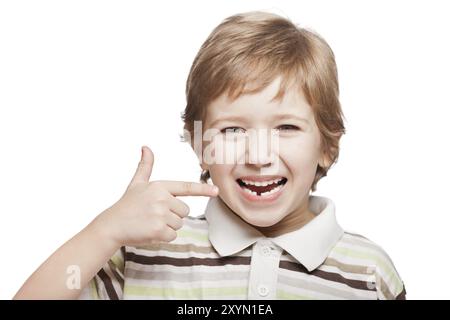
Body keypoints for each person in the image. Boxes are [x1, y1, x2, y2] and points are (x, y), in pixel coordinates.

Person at [14, 11, 405, 300]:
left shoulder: (368, 273)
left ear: (328, 144)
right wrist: (105, 231)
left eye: (286, 127)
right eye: (233, 130)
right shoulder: (147, 252)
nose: (258, 155)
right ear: (201, 147)